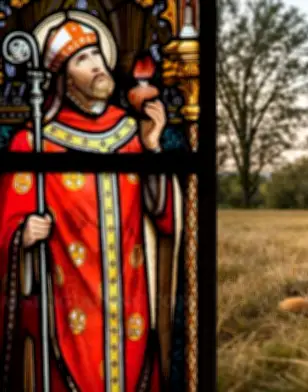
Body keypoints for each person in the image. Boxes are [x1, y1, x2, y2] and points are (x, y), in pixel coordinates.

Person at [0, 12, 181, 392]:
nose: (97, 65)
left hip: (132, 299)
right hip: (67, 309)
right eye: (82, 59)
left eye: (97, 53)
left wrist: (152, 148)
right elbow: (6, 228)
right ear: (63, 79)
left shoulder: (132, 132)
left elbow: (165, 218)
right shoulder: (36, 142)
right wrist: (22, 233)